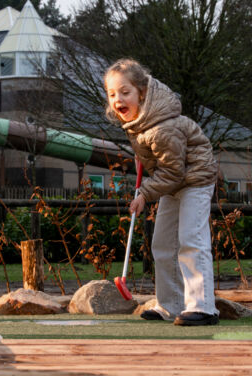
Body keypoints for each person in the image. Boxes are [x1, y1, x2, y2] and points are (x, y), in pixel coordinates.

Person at [104, 58, 219, 326]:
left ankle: (203, 307)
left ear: (142, 93)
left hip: (195, 179)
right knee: (163, 244)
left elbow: (173, 171)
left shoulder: (163, 127)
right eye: (112, 94)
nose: (118, 99)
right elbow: (162, 164)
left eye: (125, 92)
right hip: (173, 183)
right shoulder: (140, 124)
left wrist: (144, 194)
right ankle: (171, 304)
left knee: (191, 239)